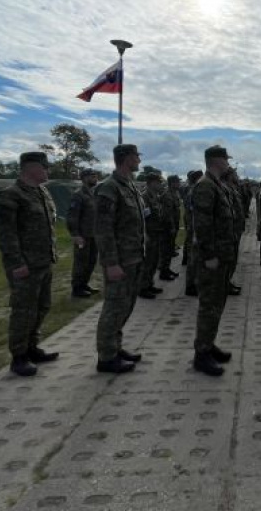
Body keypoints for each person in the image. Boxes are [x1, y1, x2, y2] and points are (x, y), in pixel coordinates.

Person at [0, 152, 59, 377]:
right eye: (44, 167)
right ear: (31, 168)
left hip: (43, 261)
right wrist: (16, 262)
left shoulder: (42, 192)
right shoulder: (11, 195)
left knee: (42, 306)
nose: (47, 171)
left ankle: (32, 347)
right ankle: (19, 356)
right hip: (25, 264)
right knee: (23, 310)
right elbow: (5, 233)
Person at [93, 144, 147, 373]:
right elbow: (103, 229)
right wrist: (111, 263)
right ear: (125, 158)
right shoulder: (109, 187)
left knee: (125, 306)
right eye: (136, 156)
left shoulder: (129, 186)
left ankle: (115, 347)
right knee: (114, 307)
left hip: (133, 257)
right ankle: (106, 357)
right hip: (120, 260)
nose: (139, 160)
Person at [191, 145, 236, 376]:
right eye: (225, 159)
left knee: (216, 304)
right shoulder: (205, 186)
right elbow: (202, 224)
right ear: (216, 161)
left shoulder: (216, 184)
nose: (228, 163)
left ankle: (208, 344)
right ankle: (201, 354)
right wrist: (209, 255)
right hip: (212, 258)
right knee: (209, 305)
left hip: (222, 256)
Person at [67, 168, 100, 298]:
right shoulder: (78, 195)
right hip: (83, 236)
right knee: (81, 262)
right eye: (92, 176)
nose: (95, 178)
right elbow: (72, 216)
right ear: (85, 178)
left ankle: (84, 284)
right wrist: (75, 235)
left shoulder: (93, 194)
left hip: (93, 235)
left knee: (91, 261)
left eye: (96, 176)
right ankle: (77, 288)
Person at [139, 172, 167, 297]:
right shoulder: (144, 197)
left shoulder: (155, 196)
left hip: (156, 233)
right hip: (149, 234)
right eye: (158, 182)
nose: (160, 184)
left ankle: (149, 283)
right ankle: (142, 287)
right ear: (151, 183)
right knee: (148, 262)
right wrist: (145, 234)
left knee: (154, 261)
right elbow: (143, 218)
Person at [223, 167, 245, 295]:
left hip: (236, 229)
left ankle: (227, 281)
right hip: (231, 230)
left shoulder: (232, 188)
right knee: (229, 259)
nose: (236, 175)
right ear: (229, 175)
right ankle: (225, 284)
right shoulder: (226, 188)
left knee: (233, 259)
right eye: (234, 173)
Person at [183, 170, 204, 296]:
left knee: (195, 258)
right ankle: (190, 286)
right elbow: (193, 212)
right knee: (193, 258)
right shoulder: (193, 192)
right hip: (193, 228)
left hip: (194, 227)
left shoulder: (194, 190)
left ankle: (193, 283)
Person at [166, 175, 182, 259]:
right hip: (170, 222)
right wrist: (172, 225)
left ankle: (171, 250)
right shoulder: (167, 194)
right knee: (169, 238)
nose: (179, 183)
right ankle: (169, 252)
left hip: (175, 220)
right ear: (172, 183)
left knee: (173, 237)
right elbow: (168, 213)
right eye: (177, 182)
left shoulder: (175, 193)